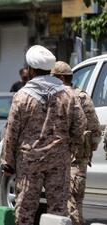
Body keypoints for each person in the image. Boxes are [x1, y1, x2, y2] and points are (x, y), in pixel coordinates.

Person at [0, 45, 86, 225]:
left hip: (29, 163)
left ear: (31, 70)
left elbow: (11, 132)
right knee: (58, 212)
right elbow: (80, 126)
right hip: (59, 162)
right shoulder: (68, 94)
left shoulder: (22, 96)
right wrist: (69, 147)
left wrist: (7, 162)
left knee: (24, 212)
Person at [51, 61, 101, 225]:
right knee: (72, 201)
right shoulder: (81, 97)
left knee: (65, 203)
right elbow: (95, 129)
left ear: (59, 77)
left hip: (62, 158)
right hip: (75, 158)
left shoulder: (54, 97)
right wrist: (90, 146)